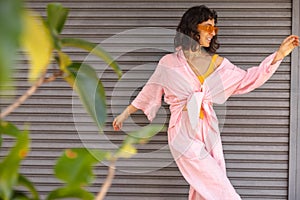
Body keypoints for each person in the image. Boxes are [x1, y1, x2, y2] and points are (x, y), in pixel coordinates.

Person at [112, 5, 299, 200]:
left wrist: (279, 56)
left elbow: (248, 79)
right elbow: (150, 90)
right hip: (182, 131)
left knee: (203, 189)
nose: (212, 32)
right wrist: (125, 114)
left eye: (214, 28)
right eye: (208, 26)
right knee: (216, 183)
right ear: (193, 27)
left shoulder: (219, 64)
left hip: (209, 129)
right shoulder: (168, 63)